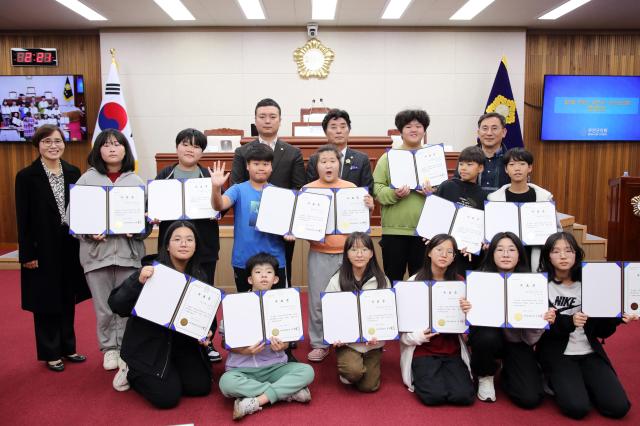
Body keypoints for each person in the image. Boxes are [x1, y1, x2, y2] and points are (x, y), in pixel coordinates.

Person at [108, 221, 213, 408]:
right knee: (167, 398)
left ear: (196, 246)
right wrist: (138, 281)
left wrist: (207, 332)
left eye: (190, 239)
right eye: (177, 239)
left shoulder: (200, 275)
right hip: (149, 346)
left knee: (200, 387)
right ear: (167, 245)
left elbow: (207, 316)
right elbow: (117, 305)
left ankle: (170, 372)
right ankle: (130, 369)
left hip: (181, 345)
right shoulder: (151, 271)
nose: (184, 244)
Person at [71, 129, 151, 371]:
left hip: (129, 255)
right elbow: (73, 218)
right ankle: (109, 349)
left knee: (127, 304)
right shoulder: (86, 180)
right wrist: (87, 232)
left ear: (126, 149)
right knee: (104, 307)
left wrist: (137, 229)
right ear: (98, 150)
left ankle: (126, 348)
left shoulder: (135, 181)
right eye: (106, 145)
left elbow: (146, 223)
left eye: (117, 144)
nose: (112, 149)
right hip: (97, 255)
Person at [15, 124, 91, 372]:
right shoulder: (26, 176)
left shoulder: (73, 172)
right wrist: (27, 254)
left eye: (57, 141)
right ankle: (50, 351)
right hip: (41, 248)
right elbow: (23, 218)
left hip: (68, 246)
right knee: (46, 299)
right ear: (38, 145)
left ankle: (69, 347)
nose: (53, 146)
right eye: (47, 141)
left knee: (67, 298)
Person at [537, 232, 636, 419]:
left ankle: (583, 383)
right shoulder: (540, 285)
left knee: (618, 407)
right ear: (548, 256)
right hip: (559, 353)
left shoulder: (591, 282)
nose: (563, 256)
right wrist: (569, 322)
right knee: (577, 408)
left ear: (576, 254)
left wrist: (618, 319)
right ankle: (552, 379)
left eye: (568, 250)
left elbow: (601, 330)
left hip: (589, 351)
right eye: (556, 251)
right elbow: (542, 329)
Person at [152, 128, 222, 362]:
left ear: (202, 151)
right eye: (185, 144)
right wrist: (153, 214)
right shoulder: (165, 174)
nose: (190, 149)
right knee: (170, 293)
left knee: (204, 296)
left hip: (204, 248)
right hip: (172, 249)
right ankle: (170, 344)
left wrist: (217, 210)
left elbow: (221, 207)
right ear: (177, 147)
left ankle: (207, 342)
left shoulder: (208, 175)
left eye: (196, 146)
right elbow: (154, 205)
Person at [218, 253, 314, 420]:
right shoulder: (234, 304)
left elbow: (290, 337)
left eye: (269, 272)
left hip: (275, 367)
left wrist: (284, 346)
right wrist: (244, 351)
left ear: (275, 279)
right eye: (258, 272)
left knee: (307, 371)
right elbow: (225, 342)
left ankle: (256, 401)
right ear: (249, 279)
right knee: (226, 383)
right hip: (242, 370)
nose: (263, 276)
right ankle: (287, 393)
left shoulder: (284, 303)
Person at [303, 145, 374, 362]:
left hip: (349, 255)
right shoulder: (307, 190)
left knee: (350, 297)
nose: (328, 165)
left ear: (339, 164)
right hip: (319, 252)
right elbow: (303, 224)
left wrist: (369, 208)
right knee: (318, 299)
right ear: (317, 166)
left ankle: (351, 336)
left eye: (332, 161)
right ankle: (319, 342)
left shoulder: (351, 188)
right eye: (323, 161)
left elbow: (361, 224)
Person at [467, 232, 555, 406]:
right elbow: (472, 329)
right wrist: (467, 309)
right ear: (491, 253)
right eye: (500, 249)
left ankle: (508, 373)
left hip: (518, 341)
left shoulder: (533, 284)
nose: (505, 254)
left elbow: (530, 340)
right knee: (487, 337)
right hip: (488, 340)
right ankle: (485, 374)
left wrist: (542, 322)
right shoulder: (479, 280)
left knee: (530, 399)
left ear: (520, 254)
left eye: (511, 250)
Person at [230, 98, 305, 286]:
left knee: (280, 277)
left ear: (280, 120)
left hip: (281, 232)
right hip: (249, 229)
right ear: (255, 120)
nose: (267, 120)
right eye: (262, 116)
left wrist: (289, 223)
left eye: (272, 116)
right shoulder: (242, 151)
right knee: (248, 284)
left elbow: (298, 189)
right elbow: (236, 184)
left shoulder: (292, 152)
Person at [400, 234, 474, 406]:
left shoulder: (460, 283)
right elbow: (402, 331)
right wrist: (419, 335)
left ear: (454, 257)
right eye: (439, 249)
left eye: (449, 252)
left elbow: (469, 325)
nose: (444, 255)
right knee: (433, 396)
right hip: (423, 350)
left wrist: (468, 313)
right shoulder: (413, 283)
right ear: (429, 253)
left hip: (452, 350)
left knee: (463, 396)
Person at [210, 143, 290, 292]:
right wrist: (216, 187)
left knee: (275, 309)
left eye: (265, 164)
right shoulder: (237, 189)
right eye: (256, 163)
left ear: (271, 167)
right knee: (246, 308)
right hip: (243, 260)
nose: (261, 167)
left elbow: (288, 226)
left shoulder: (280, 194)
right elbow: (219, 206)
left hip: (274, 261)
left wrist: (290, 233)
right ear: (247, 166)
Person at [325, 232, 391, 392]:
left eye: (364, 249)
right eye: (354, 250)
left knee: (369, 387)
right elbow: (328, 312)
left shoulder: (382, 280)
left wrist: (380, 335)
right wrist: (336, 336)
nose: (359, 254)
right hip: (348, 343)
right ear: (346, 254)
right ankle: (349, 368)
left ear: (371, 253)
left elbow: (388, 315)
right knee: (353, 373)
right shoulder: (337, 280)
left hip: (373, 343)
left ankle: (369, 360)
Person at [373, 109, 431, 282]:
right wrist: (394, 193)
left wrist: (432, 193)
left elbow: (444, 191)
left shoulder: (432, 158)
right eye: (408, 126)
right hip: (394, 231)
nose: (414, 130)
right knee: (392, 279)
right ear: (401, 131)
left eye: (418, 126)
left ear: (424, 130)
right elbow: (376, 188)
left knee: (421, 281)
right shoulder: (387, 158)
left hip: (424, 232)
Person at [487, 147, 559, 271]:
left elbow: (556, 230)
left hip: (535, 252)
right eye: (512, 164)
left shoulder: (544, 198)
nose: (517, 168)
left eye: (522, 164)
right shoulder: (494, 199)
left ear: (530, 168)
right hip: (505, 256)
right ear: (506, 169)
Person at [432, 145, 487, 274]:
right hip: (442, 248)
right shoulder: (447, 186)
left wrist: (474, 245)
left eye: (469, 164)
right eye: (461, 164)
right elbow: (434, 215)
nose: (463, 168)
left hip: (465, 252)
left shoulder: (483, 195)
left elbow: (480, 228)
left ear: (480, 168)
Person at [306, 109, 374, 193]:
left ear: (349, 130)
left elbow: (368, 191)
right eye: (333, 127)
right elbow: (309, 190)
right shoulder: (315, 159)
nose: (339, 131)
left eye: (343, 127)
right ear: (325, 131)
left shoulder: (361, 159)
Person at [473, 112, 511, 194]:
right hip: (472, 206)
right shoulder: (467, 157)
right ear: (478, 133)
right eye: (485, 128)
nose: (489, 133)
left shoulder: (512, 159)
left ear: (504, 132)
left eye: (494, 128)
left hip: (502, 205)